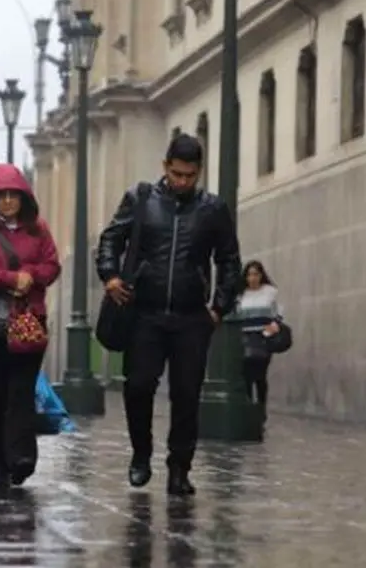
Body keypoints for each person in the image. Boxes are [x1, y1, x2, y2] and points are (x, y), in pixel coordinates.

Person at [95, 134, 242, 495]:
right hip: (144, 312)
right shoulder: (141, 199)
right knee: (139, 384)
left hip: (192, 317)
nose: (182, 182)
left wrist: (218, 308)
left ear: (199, 172)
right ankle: (141, 453)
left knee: (187, 394)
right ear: (165, 167)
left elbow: (229, 260)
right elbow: (111, 238)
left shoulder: (212, 209)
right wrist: (110, 276)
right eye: (176, 174)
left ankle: (180, 467)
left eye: (189, 176)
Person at [0, 164, 61, 487]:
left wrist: (31, 277)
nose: (6, 202)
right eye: (0, 196)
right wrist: (8, 279)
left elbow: (52, 265)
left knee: (21, 391)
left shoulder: (39, 229)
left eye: (12, 195)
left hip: (28, 321)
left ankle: (21, 456)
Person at [238, 260, 282, 411]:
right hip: (245, 338)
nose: (252, 278)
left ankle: (261, 408)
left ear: (261, 275)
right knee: (246, 376)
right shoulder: (241, 294)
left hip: (263, 338)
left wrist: (273, 326)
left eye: (256, 274)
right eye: (249, 275)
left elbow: (279, 312)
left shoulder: (270, 292)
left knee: (260, 375)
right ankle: (249, 408)